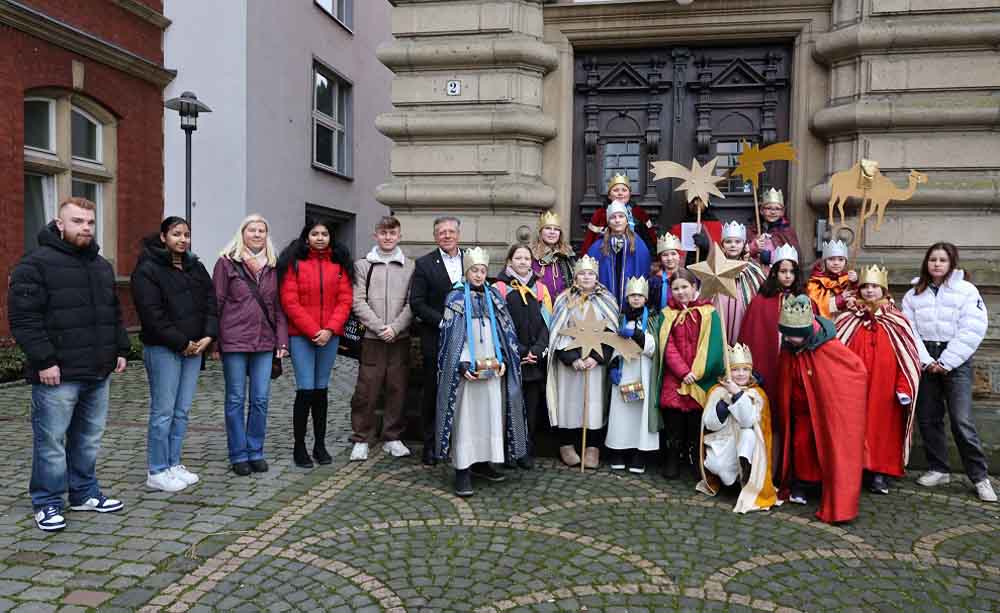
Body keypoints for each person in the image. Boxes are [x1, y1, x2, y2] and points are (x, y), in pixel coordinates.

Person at [8, 197, 129, 531]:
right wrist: (44, 360)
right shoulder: (34, 264)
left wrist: (120, 348)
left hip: (97, 370)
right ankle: (47, 502)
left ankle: (84, 493)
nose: (85, 228)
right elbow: (23, 319)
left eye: (90, 222)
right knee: (51, 442)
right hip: (57, 374)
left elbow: (112, 314)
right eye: (77, 221)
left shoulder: (101, 266)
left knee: (88, 438)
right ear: (59, 224)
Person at [901, 243, 996, 502]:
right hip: (925, 358)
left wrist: (947, 361)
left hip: (956, 359)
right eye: (933, 259)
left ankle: (979, 477)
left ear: (951, 262)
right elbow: (908, 330)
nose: (937, 264)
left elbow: (973, 328)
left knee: (961, 420)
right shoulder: (913, 294)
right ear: (926, 262)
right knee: (929, 417)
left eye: (943, 260)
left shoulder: (966, 291)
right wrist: (925, 360)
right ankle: (938, 468)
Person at [131, 217, 218, 492]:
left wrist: (207, 336)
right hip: (164, 349)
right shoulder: (147, 269)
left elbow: (211, 303)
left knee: (182, 411)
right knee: (163, 412)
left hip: (194, 348)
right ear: (163, 237)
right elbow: (152, 314)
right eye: (176, 234)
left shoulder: (196, 266)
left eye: (186, 234)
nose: (182, 239)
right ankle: (157, 470)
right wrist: (182, 342)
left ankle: (173, 463)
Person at [435, 247, 529, 497]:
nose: (478, 275)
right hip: (468, 372)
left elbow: (505, 332)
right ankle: (463, 469)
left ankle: (486, 462)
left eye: (483, 271)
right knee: (467, 419)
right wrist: (462, 363)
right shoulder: (455, 299)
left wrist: (505, 359)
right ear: (466, 272)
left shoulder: (495, 298)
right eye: (474, 271)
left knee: (491, 416)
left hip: (493, 370)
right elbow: (451, 338)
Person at [774, 294, 868, 524]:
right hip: (800, 410)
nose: (789, 338)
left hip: (825, 411)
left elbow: (856, 371)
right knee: (800, 445)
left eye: (794, 335)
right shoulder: (789, 347)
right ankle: (802, 484)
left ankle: (830, 493)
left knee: (827, 446)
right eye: (786, 333)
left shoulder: (828, 346)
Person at [835, 265, 921, 495]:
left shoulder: (897, 320)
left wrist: (904, 387)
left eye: (875, 286)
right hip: (853, 388)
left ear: (883, 289)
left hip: (885, 388)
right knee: (854, 428)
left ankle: (879, 473)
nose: (870, 291)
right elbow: (834, 354)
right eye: (865, 287)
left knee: (882, 429)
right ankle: (856, 469)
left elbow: (907, 357)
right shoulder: (846, 319)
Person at [213, 215, 288, 476]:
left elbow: (278, 307)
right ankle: (238, 454)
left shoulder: (274, 266)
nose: (257, 234)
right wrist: (214, 340)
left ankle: (255, 451)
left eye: (261, 230)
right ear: (242, 233)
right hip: (233, 340)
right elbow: (217, 301)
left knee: (260, 399)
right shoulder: (226, 263)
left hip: (264, 342)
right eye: (252, 230)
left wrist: (282, 340)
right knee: (235, 399)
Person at [278, 220, 354, 468]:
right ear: (306, 237)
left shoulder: (339, 264)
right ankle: (299, 446)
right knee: (305, 390)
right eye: (315, 233)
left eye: (324, 234)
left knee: (321, 391)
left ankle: (319, 445)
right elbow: (290, 301)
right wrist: (313, 330)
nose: (320, 237)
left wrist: (330, 330)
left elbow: (345, 300)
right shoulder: (295, 264)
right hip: (302, 336)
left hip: (329, 336)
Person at [348, 216, 415, 461]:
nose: (388, 237)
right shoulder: (363, 265)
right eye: (383, 233)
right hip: (372, 337)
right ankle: (361, 437)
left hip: (399, 337)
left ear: (399, 236)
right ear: (375, 235)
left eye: (392, 233)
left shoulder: (410, 266)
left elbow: (411, 302)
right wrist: (379, 327)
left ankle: (392, 437)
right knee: (367, 388)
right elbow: (357, 301)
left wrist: (395, 328)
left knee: (397, 387)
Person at [653, 269, 726, 480]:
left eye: (685, 287)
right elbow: (668, 347)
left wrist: (697, 372)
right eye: (676, 288)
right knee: (674, 424)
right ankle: (673, 458)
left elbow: (712, 345)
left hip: (700, 378)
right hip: (675, 379)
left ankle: (695, 459)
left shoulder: (708, 312)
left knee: (696, 424)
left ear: (694, 288)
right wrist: (683, 372)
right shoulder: (667, 315)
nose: (680, 291)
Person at [546, 255, 618, 469]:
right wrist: (572, 359)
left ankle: (592, 448)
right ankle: (566, 445)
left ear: (596, 277)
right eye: (582, 273)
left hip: (594, 363)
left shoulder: (607, 299)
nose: (586, 277)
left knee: (593, 405)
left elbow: (611, 333)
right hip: (570, 362)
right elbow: (557, 332)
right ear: (575, 277)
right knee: (569, 404)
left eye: (590, 274)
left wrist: (596, 358)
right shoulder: (563, 298)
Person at [697, 344, 777, 514]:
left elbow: (748, 420)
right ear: (727, 372)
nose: (740, 374)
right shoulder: (717, 391)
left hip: (749, 446)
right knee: (720, 468)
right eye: (735, 370)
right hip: (724, 442)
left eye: (745, 370)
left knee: (748, 434)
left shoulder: (757, 394)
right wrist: (725, 402)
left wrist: (738, 395)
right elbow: (710, 423)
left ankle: (746, 472)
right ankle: (732, 479)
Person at [410, 216, 464, 465]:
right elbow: (417, 303)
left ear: (458, 235)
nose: (447, 235)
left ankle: (460, 443)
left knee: (464, 392)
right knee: (433, 391)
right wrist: (442, 321)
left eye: (451, 231)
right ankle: (430, 445)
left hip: (467, 339)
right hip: (437, 337)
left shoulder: (472, 260)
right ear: (435, 236)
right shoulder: (423, 264)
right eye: (442, 232)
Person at [495, 244, 553, 469]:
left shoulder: (541, 289)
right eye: (518, 257)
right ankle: (508, 450)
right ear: (509, 261)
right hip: (511, 357)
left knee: (531, 407)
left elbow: (548, 324)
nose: (522, 262)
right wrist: (518, 350)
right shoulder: (499, 288)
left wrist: (536, 351)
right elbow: (500, 324)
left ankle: (525, 450)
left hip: (534, 360)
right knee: (509, 405)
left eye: (527, 258)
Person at [737, 244, 813, 404]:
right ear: (774, 273)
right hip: (769, 360)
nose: (788, 276)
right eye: (783, 271)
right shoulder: (761, 301)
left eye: (792, 272)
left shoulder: (804, 299)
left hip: (794, 361)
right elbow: (752, 335)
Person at [605, 276, 659, 474]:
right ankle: (618, 450)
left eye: (639, 296)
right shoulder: (620, 318)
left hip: (642, 370)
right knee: (620, 412)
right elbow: (611, 344)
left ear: (645, 298)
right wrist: (612, 367)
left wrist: (637, 335)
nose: (636, 299)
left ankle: (639, 453)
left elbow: (655, 348)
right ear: (627, 298)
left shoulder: (652, 318)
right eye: (632, 296)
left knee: (639, 413)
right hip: (624, 369)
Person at [586, 200, 651, 307]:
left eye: (621, 216)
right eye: (613, 217)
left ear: (627, 220)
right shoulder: (598, 246)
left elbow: (643, 270)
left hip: (632, 304)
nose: (617, 220)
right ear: (608, 221)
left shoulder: (638, 244)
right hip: (604, 305)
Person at [579, 173, 657, 255]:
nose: (620, 193)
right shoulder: (600, 214)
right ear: (609, 195)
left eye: (624, 190)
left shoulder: (639, 213)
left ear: (629, 194)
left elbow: (650, 238)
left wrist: (654, 258)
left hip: (634, 255)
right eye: (616, 190)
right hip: (606, 255)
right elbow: (590, 240)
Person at [713, 221, 766, 341]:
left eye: (737, 242)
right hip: (721, 312)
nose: (733, 245)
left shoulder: (752, 269)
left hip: (743, 313)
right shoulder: (714, 267)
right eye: (728, 242)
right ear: (722, 245)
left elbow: (762, 292)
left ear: (744, 244)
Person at [746, 188, 801, 273]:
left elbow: (794, 257)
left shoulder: (787, 231)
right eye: (768, 208)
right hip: (756, 273)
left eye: (777, 209)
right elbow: (743, 254)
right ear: (761, 210)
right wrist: (754, 247)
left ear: (782, 212)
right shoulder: (752, 230)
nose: (773, 212)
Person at [806, 239, 858, 319]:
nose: (836, 263)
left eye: (841, 259)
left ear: (845, 262)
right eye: (831, 259)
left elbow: (857, 299)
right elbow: (818, 305)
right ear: (824, 261)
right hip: (825, 322)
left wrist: (854, 283)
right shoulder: (816, 282)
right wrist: (841, 299)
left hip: (844, 321)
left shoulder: (846, 278)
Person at [531, 211, 576, 300]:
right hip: (539, 305)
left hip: (563, 305)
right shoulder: (531, 255)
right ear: (540, 232)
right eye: (548, 228)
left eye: (556, 229)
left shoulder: (567, 255)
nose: (552, 232)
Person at [669, 197, 722, 267]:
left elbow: (721, 254)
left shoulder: (716, 226)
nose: (695, 203)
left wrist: (708, 246)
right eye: (692, 200)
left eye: (699, 200)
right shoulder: (678, 228)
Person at [648, 233, 683, 312]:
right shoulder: (654, 282)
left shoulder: (687, 278)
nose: (669, 258)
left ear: (679, 256)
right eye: (665, 255)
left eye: (673, 254)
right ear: (660, 258)